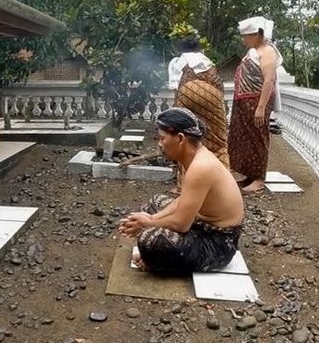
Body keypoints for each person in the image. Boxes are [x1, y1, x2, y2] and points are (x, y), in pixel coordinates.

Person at [118, 108, 244, 273]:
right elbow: (183, 200)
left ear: (180, 139)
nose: (159, 144)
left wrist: (147, 224)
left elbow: (181, 224)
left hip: (218, 243)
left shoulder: (201, 167)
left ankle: (157, 262)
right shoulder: (191, 158)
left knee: (148, 239)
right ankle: (158, 256)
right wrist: (151, 218)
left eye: (162, 138)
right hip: (200, 225)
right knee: (155, 203)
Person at [228, 16, 283, 192]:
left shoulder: (267, 51)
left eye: (246, 36)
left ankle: (259, 179)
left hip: (256, 101)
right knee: (244, 139)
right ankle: (249, 175)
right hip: (244, 101)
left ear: (257, 34)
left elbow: (269, 81)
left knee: (257, 138)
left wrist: (260, 107)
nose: (244, 40)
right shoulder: (254, 51)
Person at [173, 37, 230, 169]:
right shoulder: (205, 59)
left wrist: (177, 110)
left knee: (187, 137)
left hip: (188, 92)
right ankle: (221, 178)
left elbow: (176, 88)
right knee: (218, 140)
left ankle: (185, 182)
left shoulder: (177, 61)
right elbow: (215, 81)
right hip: (212, 94)